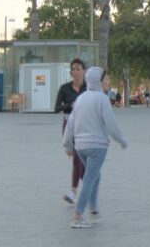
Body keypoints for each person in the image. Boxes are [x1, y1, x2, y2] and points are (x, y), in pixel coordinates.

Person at [61, 67, 128, 229]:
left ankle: (93, 209)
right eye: (106, 79)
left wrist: (68, 144)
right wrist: (121, 140)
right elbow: (111, 124)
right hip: (97, 147)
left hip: (80, 147)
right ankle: (77, 216)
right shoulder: (102, 99)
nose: (108, 81)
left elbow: (70, 123)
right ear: (98, 81)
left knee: (94, 176)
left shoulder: (81, 98)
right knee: (90, 179)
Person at [55, 58, 88, 204]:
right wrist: (69, 104)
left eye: (78, 69)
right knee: (76, 158)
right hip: (69, 125)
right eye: (73, 69)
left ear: (84, 71)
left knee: (80, 159)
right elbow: (56, 108)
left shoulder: (89, 88)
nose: (75, 72)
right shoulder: (64, 88)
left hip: (85, 125)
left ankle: (82, 188)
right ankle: (81, 189)